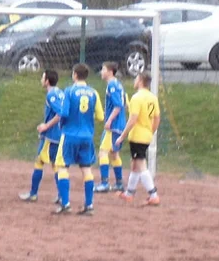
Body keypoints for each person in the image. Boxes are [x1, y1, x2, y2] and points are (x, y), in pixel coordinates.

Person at [54, 63, 104, 216]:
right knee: (86, 169)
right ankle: (89, 205)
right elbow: (100, 116)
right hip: (87, 136)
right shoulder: (94, 93)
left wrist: (62, 125)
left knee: (62, 167)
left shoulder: (69, 91)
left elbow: (64, 113)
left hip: (70, 134)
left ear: (75, 75)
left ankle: (66, 204)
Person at [19, 70, 66, 203]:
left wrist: (46, 126)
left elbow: (60, 113)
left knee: (39, 161)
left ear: (47, 81)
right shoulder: (60, 92)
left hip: (51, 136)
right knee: (55, 164)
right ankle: (61, 195)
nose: (41, 80)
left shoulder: (51, 95)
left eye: (42, 77)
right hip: (60, 134)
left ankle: (33, 194)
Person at [115, 71, 161, 206]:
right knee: (135, 164)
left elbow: (133, 119)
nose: (134, 81)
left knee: (141, 164)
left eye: (136, 79)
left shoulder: (137, 97)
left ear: (140, 81)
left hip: (137, 136)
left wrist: (122, 136)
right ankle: (129, 193)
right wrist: (151, 131)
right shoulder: (152, 97)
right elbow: (157, 118)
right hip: (146, 134)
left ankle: (153, 195)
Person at [95, 62, 127, 193]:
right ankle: (119, 183)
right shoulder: (118, 84)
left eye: (103, 69)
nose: (101, 72)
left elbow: (118, 105)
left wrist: (109, 120)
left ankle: (104, 183)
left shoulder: (112, 85)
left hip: (114, 125)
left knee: (103, 152)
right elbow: (124, 103)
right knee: (114, 153)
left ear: (110, 71)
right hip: (120, 124)